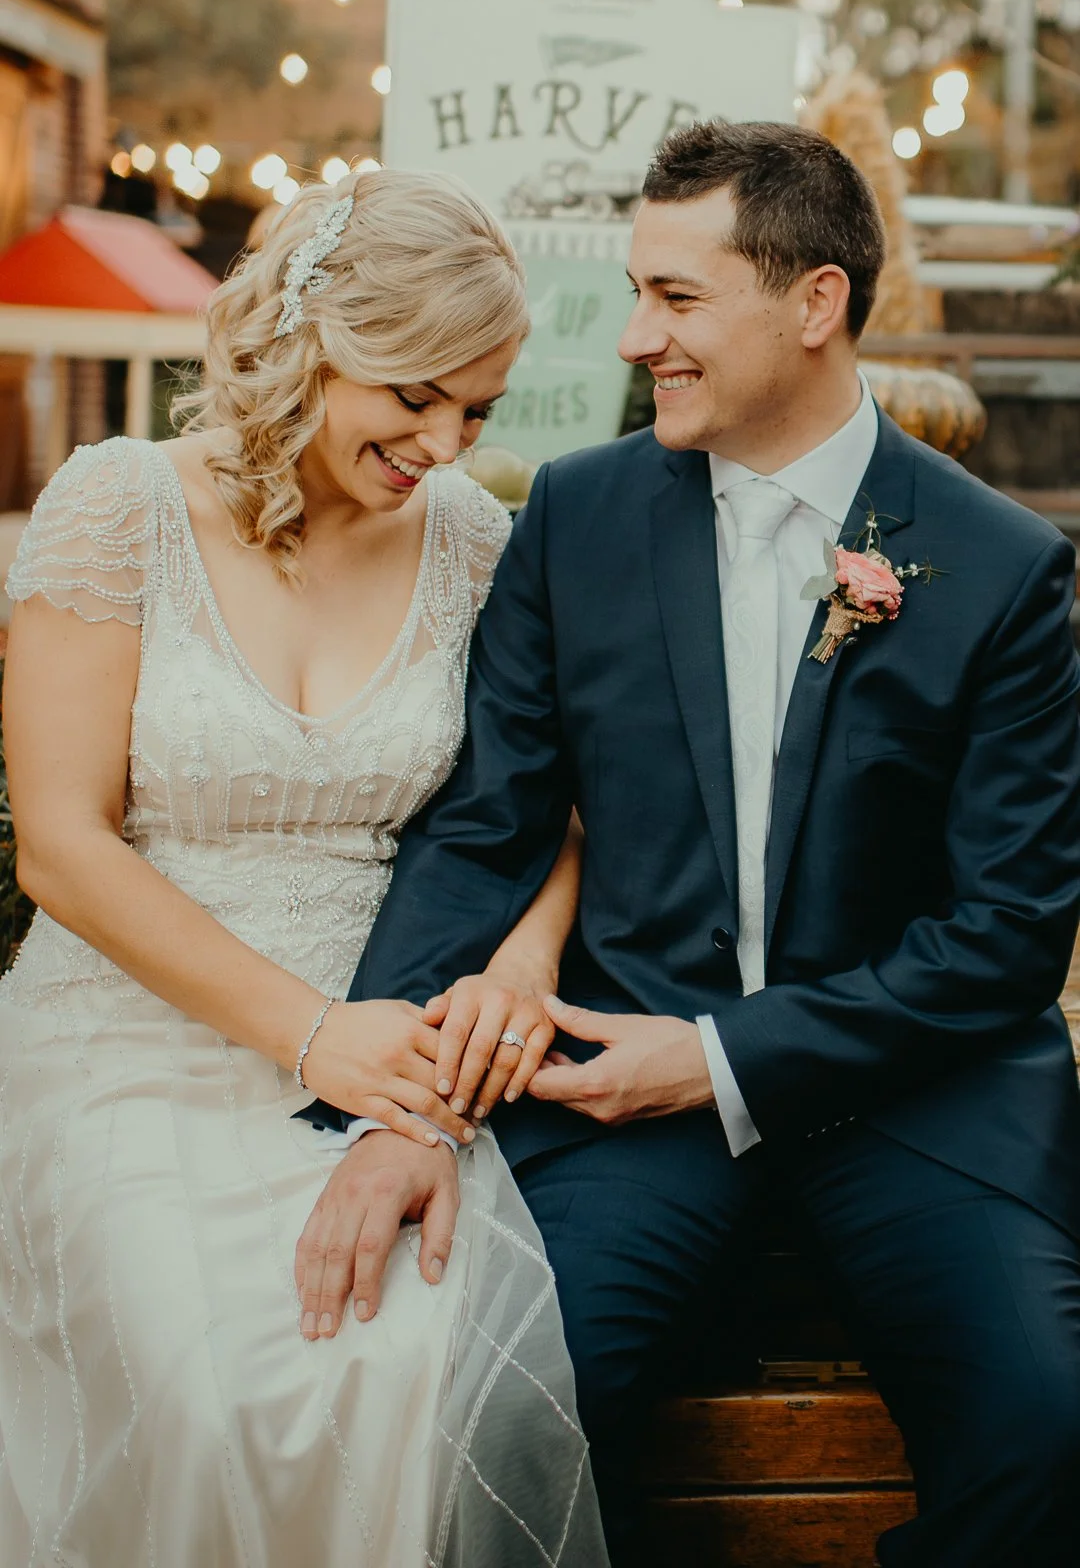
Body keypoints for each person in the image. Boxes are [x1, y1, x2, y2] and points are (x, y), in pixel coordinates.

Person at [298, 121, 1080, 1568]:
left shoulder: (1006, 570)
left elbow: (1008, 937)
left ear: (814, 302)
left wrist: (722, 1060)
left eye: (676, 296)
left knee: (1049, 1431)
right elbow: (491, 825)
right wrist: (390, 1103)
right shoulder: (573, 522)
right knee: (504, 1412)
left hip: (919, 1094)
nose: (637, 335)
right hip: (615, 1086)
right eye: (638, 294)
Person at [0, 168, 608, 1568]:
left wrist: (515, 968)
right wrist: (308, 1034)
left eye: (480, 409)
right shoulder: (118, 507)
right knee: (221, 1398)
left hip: (391, 1049)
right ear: (320, 342)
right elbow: (62, 845)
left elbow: (550, 812)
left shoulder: (473, 544)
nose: (447, 444)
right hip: (126, 1044)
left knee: (407, 1377)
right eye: (415, 399)